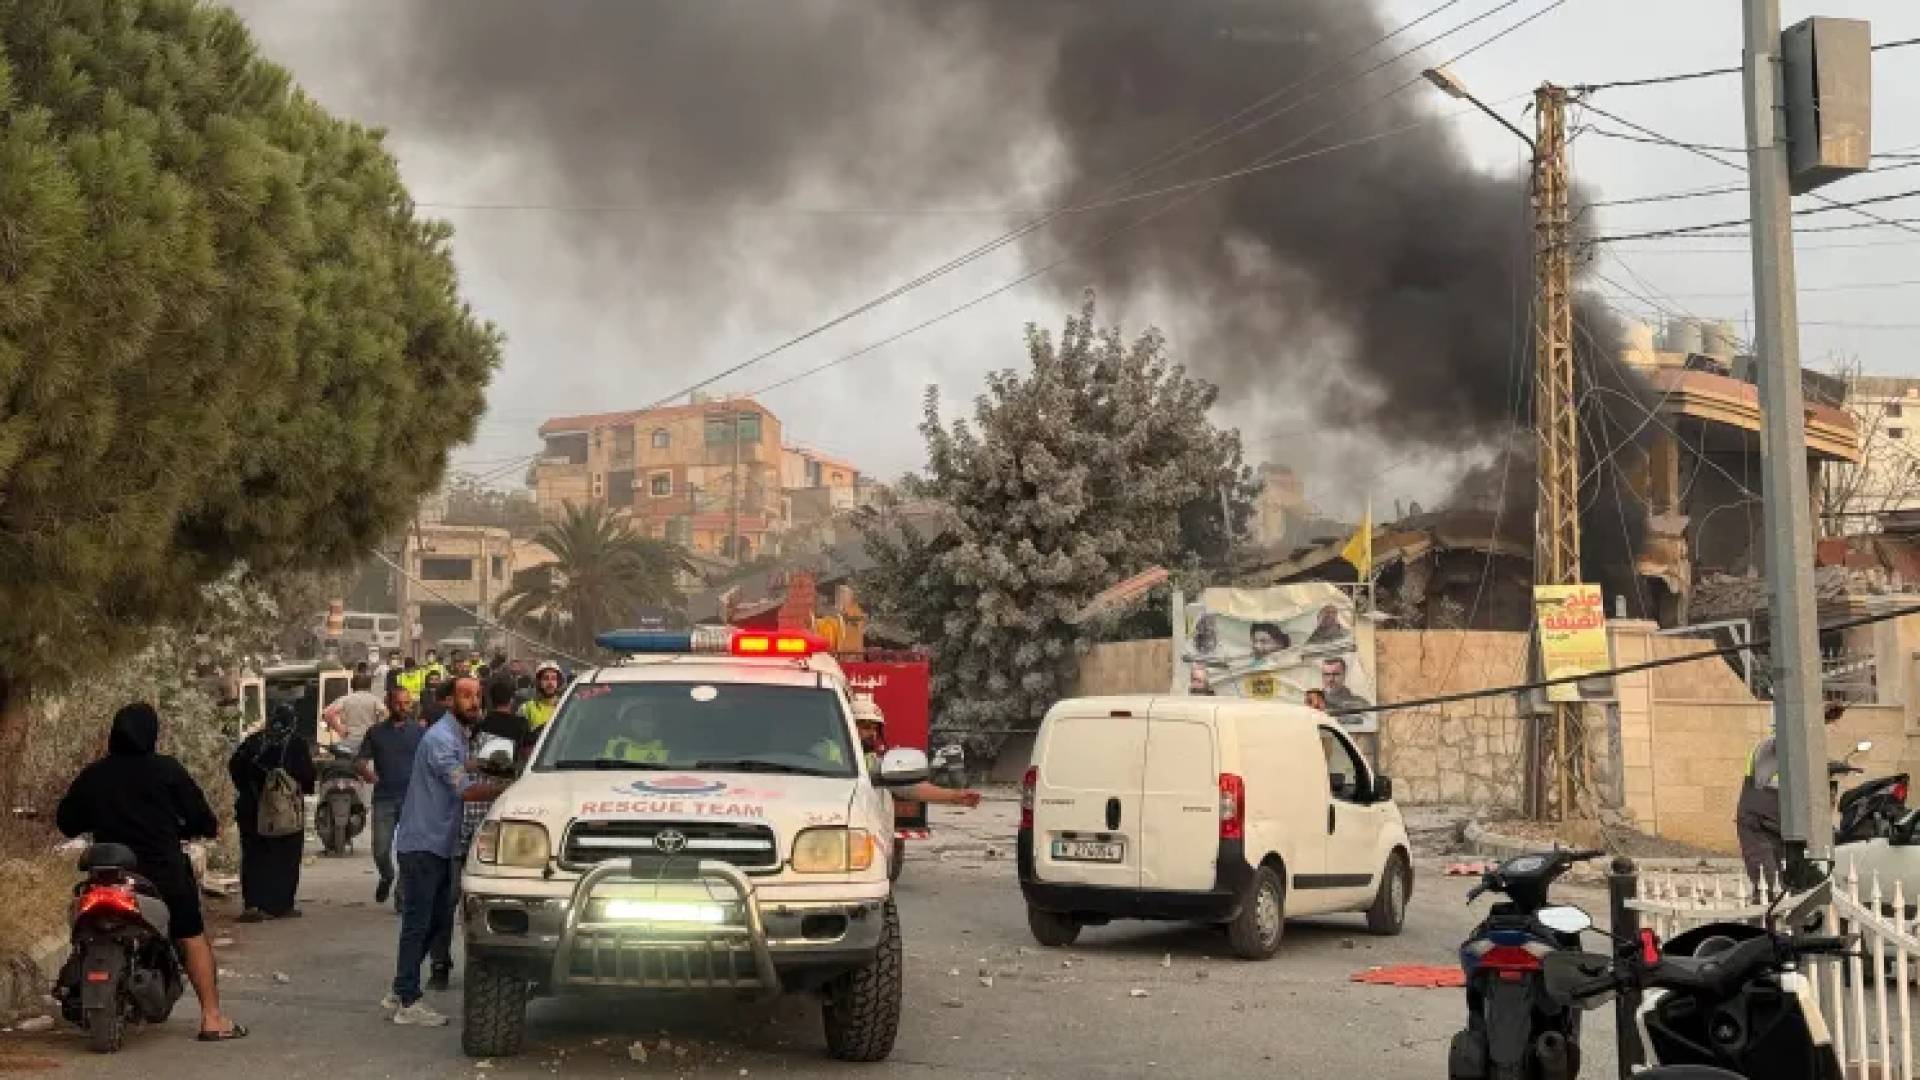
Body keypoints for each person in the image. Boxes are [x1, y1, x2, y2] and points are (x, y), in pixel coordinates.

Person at [56, 703, 246, 1042]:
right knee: (191, 933)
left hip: (107, 874)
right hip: (162, 873)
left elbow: (66, 822)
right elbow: (204, 819)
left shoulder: (94, 774)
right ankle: (212, 1018)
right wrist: (194, 828)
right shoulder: (167, 770)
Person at [386, 677, 508, 1025]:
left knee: (437, 920)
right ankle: (408, 1000)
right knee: (419, 922)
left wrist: (482, 765)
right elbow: (465, 790)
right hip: (423, 843)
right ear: (448, 701)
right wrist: (507, 789)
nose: (473, 702)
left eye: (477, 696)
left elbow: (460, 768)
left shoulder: (454, 736)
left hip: (438, 843)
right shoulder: (441, 738)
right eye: (465, 696)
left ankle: (401, 986)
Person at [1737, 702, 1846, 887]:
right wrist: (1821, 715)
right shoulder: (1768, 746)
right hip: (1758, 829)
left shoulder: (1796, 752)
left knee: (1792, 885)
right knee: (1767, 884)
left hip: (1782, 829)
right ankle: (1763, 915)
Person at [228, 705, 317, 922]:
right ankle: (282, 904)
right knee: (287, 856)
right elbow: (307, 778)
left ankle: (254, 904)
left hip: (251, 809)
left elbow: (235, 768)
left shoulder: (252, 743)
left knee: (254, 856)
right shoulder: (296, 744)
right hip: (284, 812)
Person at [356, 684, 423, 908]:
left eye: (406, 703)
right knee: (380, 849)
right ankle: (386, 875)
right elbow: (360, 761)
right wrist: (368, 774)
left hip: (411, 800)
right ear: (388, 703)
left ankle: (402, 895)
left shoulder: (419, 733)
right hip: (384, 797)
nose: (402, 707)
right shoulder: (375, 733)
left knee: (408, 850)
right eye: (398, 703)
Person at [849, 697, 981, 808]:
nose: (872, 734)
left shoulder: (870, 759)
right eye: (866, 727)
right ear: (849, 726)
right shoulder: (834, 752)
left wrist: (954, 796)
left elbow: (907, 786)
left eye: (875, 729)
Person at [323, 671, 387, 745]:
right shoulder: (374, 700)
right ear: (369, 686)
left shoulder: (344, 699)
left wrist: (339, 728)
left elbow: (327, 713)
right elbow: (386, 714)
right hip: (369, 741)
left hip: (350, 740)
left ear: (352, 686)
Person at [518, 661, 563, 731]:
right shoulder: (526, 708)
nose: (550, 683)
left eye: (554, 678)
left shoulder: (565, 707)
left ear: (558, 682)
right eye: (546, 678)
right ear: (538, 682)